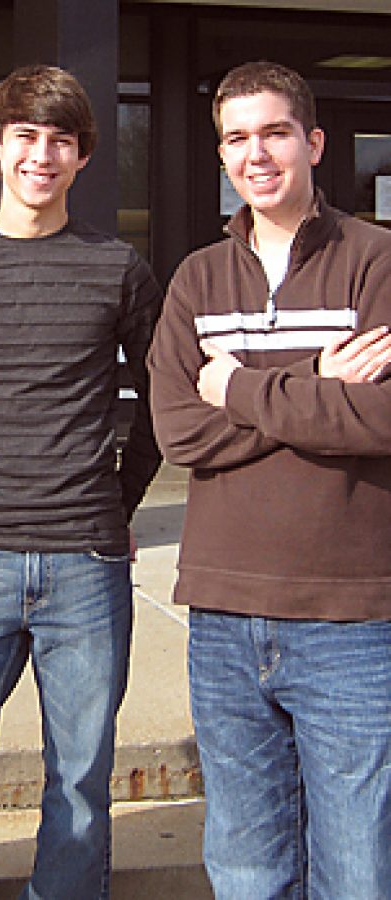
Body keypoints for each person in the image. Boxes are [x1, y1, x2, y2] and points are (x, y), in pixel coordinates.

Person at [0, 64, 163, 899]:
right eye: (24, 137)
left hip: (87, 565)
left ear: (83, 157)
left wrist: (119, 503)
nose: (40, 156)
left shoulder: (118, 268)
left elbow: (160, 398)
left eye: (60, 141)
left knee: (79, 787)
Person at [148, 60, 391, 899]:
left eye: (275, 132)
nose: (258, 154)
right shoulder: (196, 281)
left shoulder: (377, 263)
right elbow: (178, 430)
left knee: (358, 871)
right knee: (248, 869)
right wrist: (320, 383)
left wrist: (245, 389)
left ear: (314, 142)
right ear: (222, 156)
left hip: (352, 620)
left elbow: (385, 419)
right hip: (222, 617)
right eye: (237, 138)